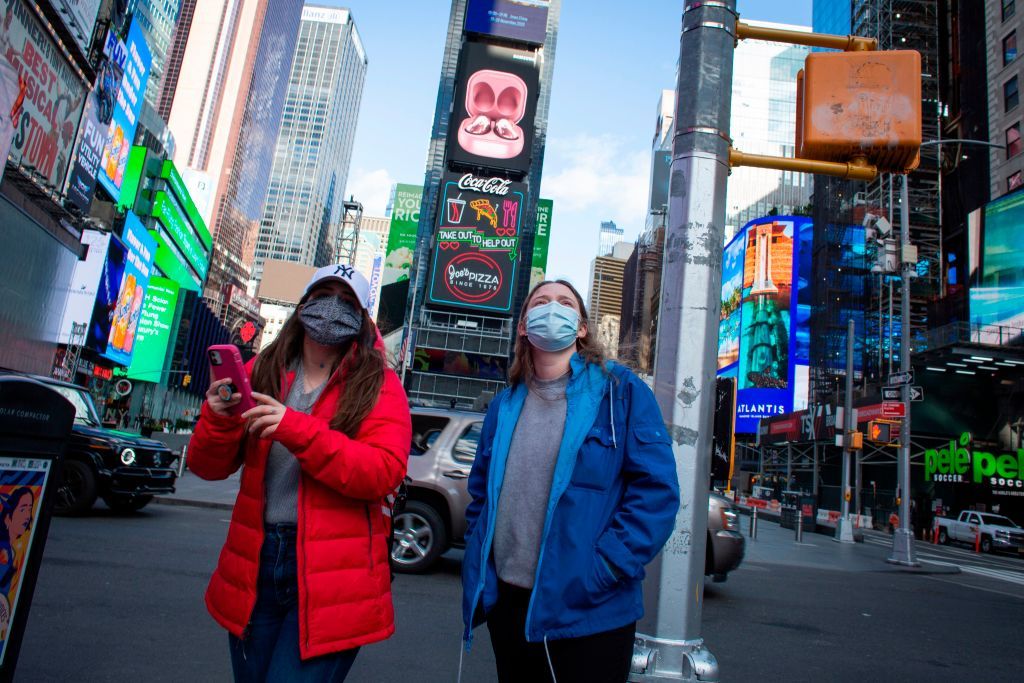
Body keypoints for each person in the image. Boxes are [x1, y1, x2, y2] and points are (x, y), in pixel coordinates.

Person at [188, 265, 412, 683]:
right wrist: (217, 419)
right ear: (302, 306)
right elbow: (207, 466)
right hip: (256, 563)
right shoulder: (262, 370)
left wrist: (295, 427)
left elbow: (382, 472)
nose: (331, 309)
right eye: (323, 295)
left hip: (334, 577)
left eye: (346, 302)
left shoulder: (379, 385)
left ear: (362, 318)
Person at [461, 280, 680, 683]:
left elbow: (657, 492)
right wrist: (483, 564)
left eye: (565, 303)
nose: (552, 308)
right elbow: (481, 495)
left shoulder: (621, 391)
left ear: (581, 328)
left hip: (589, 610)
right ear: (524, 326)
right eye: (540, 303)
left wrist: (606, 568)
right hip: (510, 606)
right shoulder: (504, 404)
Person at [0, 487, 35, 598]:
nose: (27, 516)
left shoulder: (11, 551)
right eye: (22, 510)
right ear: (7, 518)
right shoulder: (3, 551)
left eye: (29, 510)